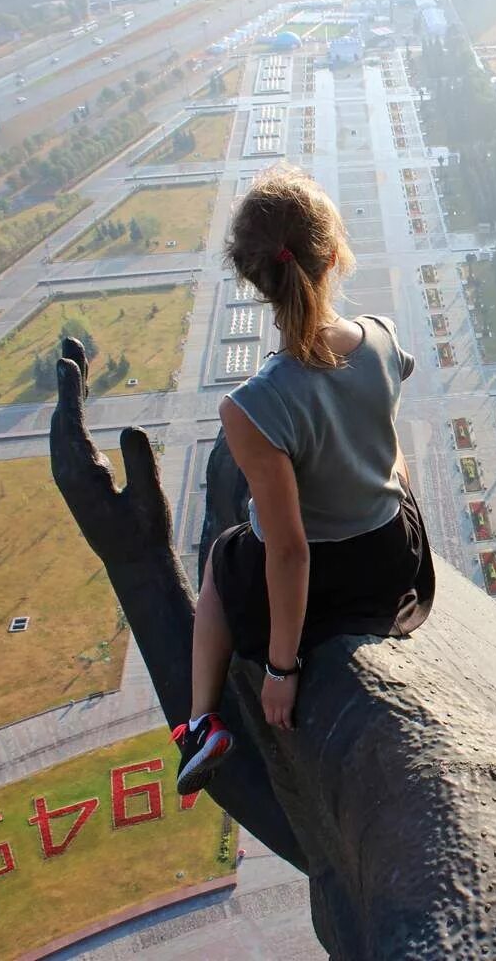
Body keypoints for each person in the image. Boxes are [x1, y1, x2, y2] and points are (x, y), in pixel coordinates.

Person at [173, 165, 435, 796]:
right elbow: (386, 411)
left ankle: (200, 720)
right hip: (397, 564)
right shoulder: (380, 337)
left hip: (327, 588)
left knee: (225, 555)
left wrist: (281, 670)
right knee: (392, 465)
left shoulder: (253, 406)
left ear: (254, 279)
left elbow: (289, 550)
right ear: (334, 254)